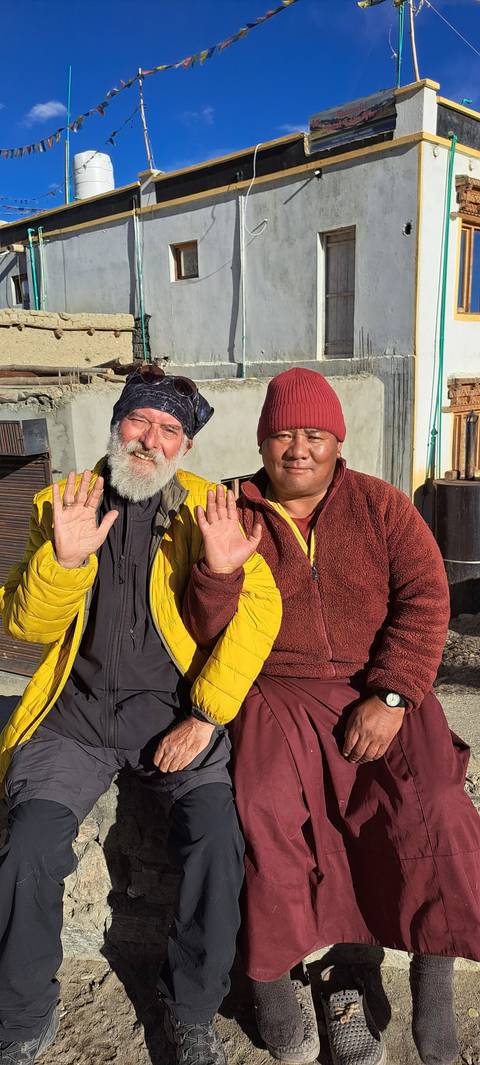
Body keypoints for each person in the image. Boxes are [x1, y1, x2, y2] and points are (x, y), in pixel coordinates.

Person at [184, 367, 480, 1065]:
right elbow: (201, 628)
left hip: (379, 686)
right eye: (282, 434)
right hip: (276, 694)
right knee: (263, 812)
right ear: (262, 442)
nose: (298, 448)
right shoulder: (233, 511)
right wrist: (219, 571)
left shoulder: (380, 506)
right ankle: (278, 996)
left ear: (336, 440)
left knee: (433, 804)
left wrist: (394, 693)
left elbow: (426, 598)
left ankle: (428, 999)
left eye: (314, 433)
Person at [0, 364, 281, 1065]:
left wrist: (208, 715)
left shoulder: (205, 509)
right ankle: (24, 1012)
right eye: (140, 421)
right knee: (29, 841)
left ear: (185, 447)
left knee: (218, 841)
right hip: (76, 722)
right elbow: (25, 627)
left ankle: (189, 1009)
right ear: (117, 420)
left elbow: (259, 612)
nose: (150, 440)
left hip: (175, 718)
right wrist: (63, 562)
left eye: (170, 430)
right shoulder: (65, 501)